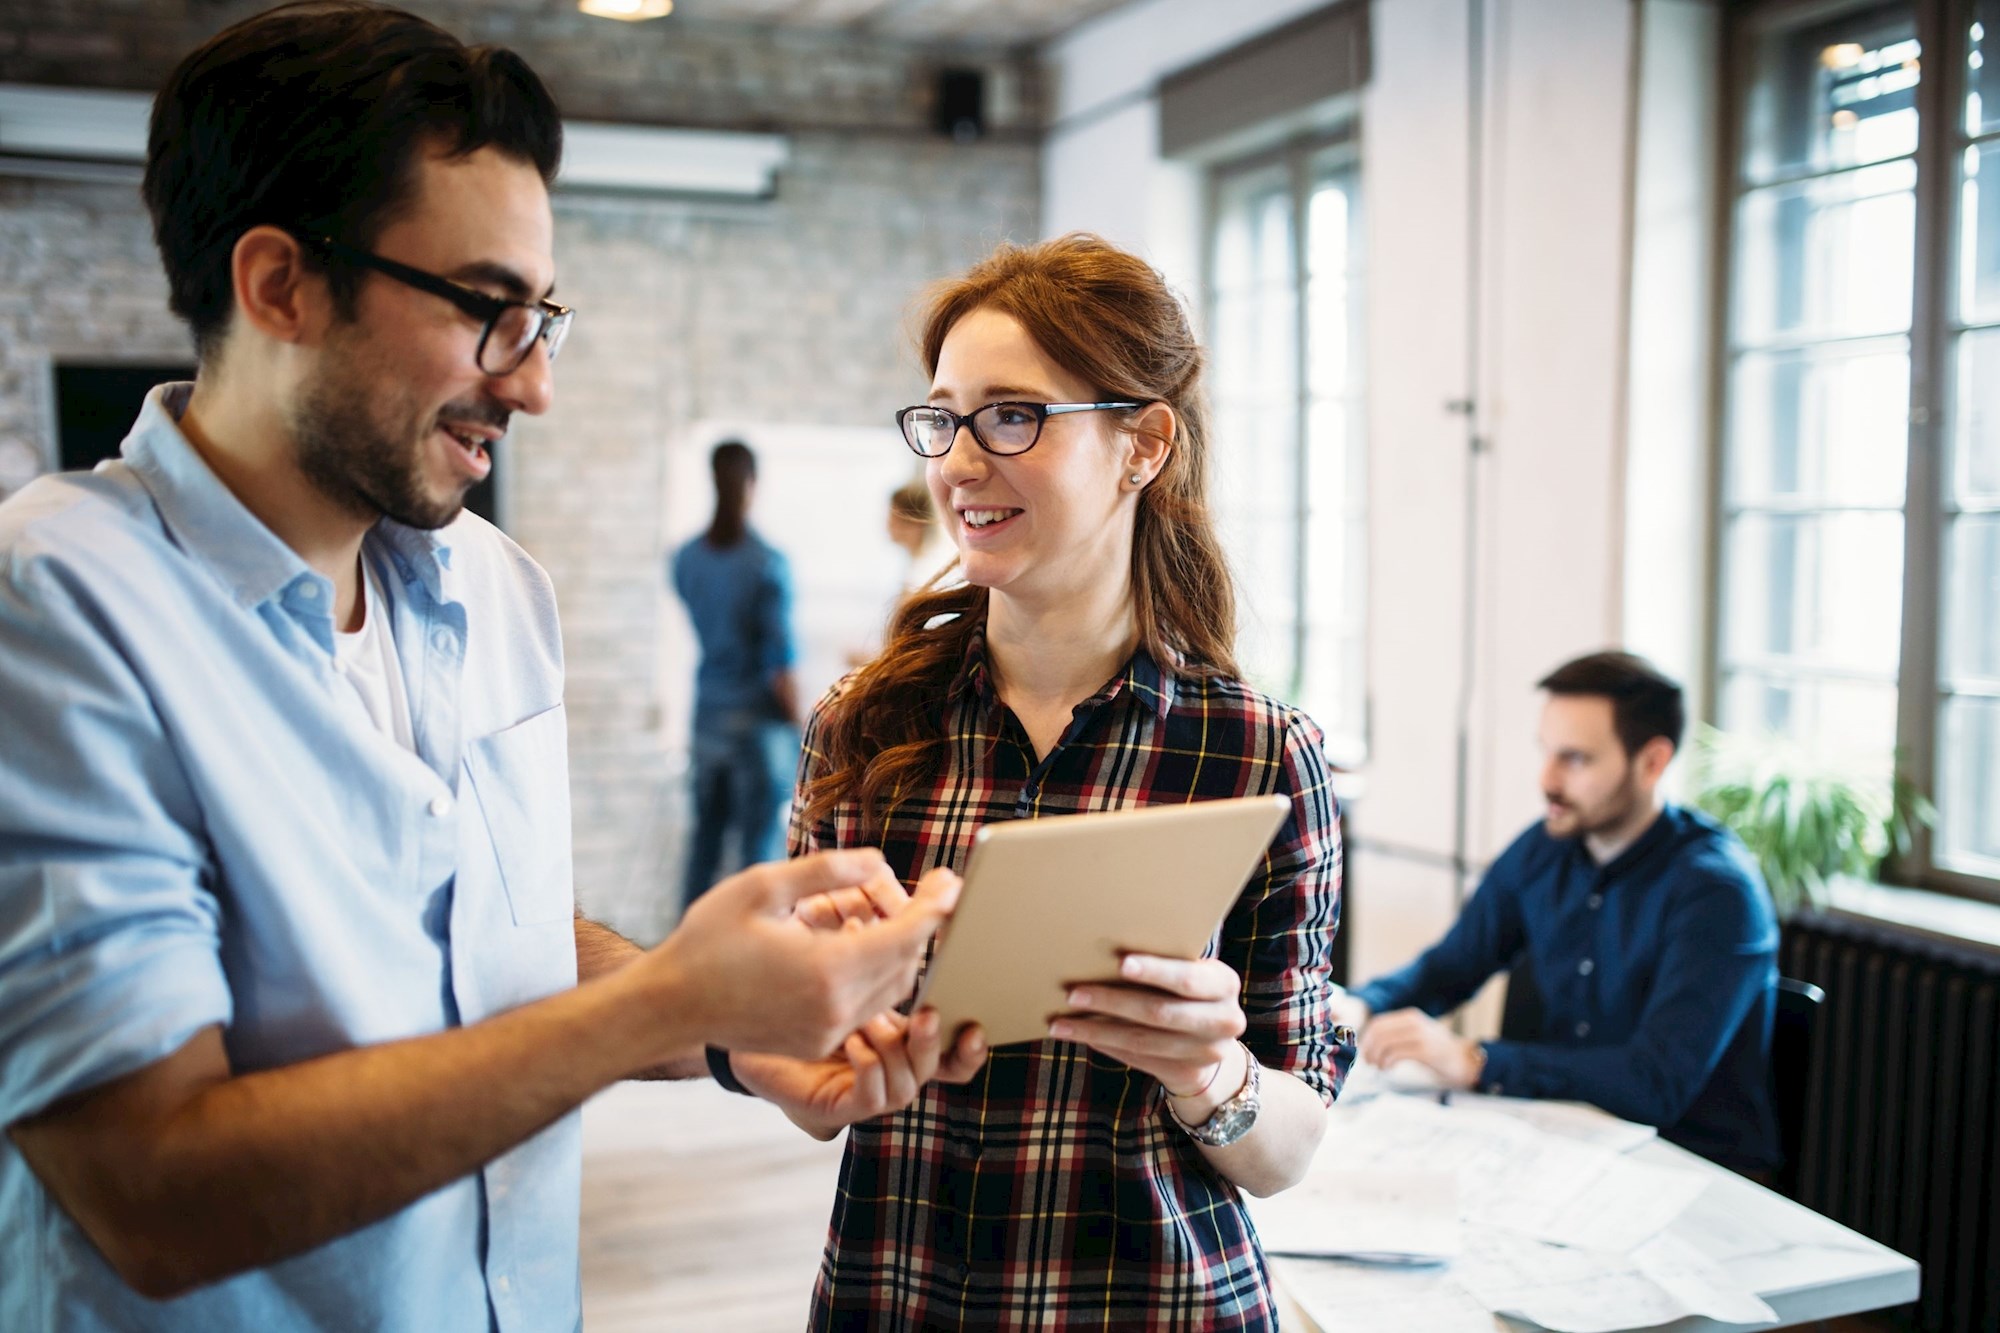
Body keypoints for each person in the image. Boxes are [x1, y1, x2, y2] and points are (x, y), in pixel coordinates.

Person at [0, 6, 955, 1328]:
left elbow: (491, 943)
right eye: (485, 310)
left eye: (542, 318)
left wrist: (741, 1034)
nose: (533, 384)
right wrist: (664, 1000)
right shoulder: (53, 606)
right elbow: (151, 1187)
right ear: (278, 284)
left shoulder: (497, 593)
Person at [721, 233, 1354, 1331]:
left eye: (1011, 415)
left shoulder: (1257, 754)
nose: (959, 463)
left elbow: (1286, 1150)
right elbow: (814, 1099)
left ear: (1141, 444)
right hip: (898, 1293)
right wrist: (803, 1035)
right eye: (942, 418)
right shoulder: (863, 728)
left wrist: (1209, 1073)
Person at [1333, 651, 1782, 1174]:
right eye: (1546, 752)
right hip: (1564, 1143)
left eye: (1576, 759)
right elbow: (1452, 965)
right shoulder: (1546, 848)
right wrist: (1362, 1007)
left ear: (1652, 762)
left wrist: (1477, 1060)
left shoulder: (1717, 892)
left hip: (1691, 1169)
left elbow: (1655, 1082)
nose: (1547, 780)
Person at [671, 440, 801, 903]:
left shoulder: (686, 558)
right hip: (757, 728)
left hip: (707, 716)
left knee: (703, 846)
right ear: (751, 484)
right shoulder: (767, 563)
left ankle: (685, 960)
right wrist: (801, 725)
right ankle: (749, 968)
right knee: (756, 859)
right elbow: (779, 665)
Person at [884, 474, 953, 590]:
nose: (888, 525)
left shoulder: (929, 570)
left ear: (915, 522)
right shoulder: (913, 562)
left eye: (894, 518)